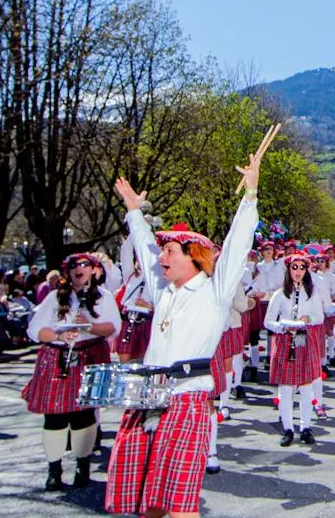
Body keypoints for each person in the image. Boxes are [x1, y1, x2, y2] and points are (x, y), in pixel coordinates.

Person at [105, 123, 275, 518]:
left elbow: (236, 247)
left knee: (180, 506)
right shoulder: (163, 290)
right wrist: (133, 211)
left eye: (170, 251)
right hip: (148, 398)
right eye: (162, 251)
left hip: (187, 399)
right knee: (148, 504)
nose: (161, 257)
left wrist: (250, 195)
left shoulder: (214, 292)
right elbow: (145, 253)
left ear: (194, 256)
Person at [21, 253, 120, 491]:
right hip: (57, 355)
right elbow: (34, 330)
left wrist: (89, 326)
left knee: (84, 416)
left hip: (90, 355)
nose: (79, 269)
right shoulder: (55, 297)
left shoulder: (104, 297)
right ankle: (54, 469)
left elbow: (113, 328)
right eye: (74, 265)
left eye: (85, 265)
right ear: (67, 272)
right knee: (54, 416)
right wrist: (59, 335)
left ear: (93, 270)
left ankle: (82, 466)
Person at [264, 253, 326, 447]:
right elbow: (268, 321)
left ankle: (305, 427)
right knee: (286, 389)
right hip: (285, 341)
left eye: (302, 268)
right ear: (288, 269)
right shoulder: (279, 294)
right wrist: (283, 325)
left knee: (306, 388)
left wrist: (306, 320)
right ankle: (288, 428)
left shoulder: (312, 292)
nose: (298, 272)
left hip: (305, 340)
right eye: (294, 267)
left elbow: (320, 318)